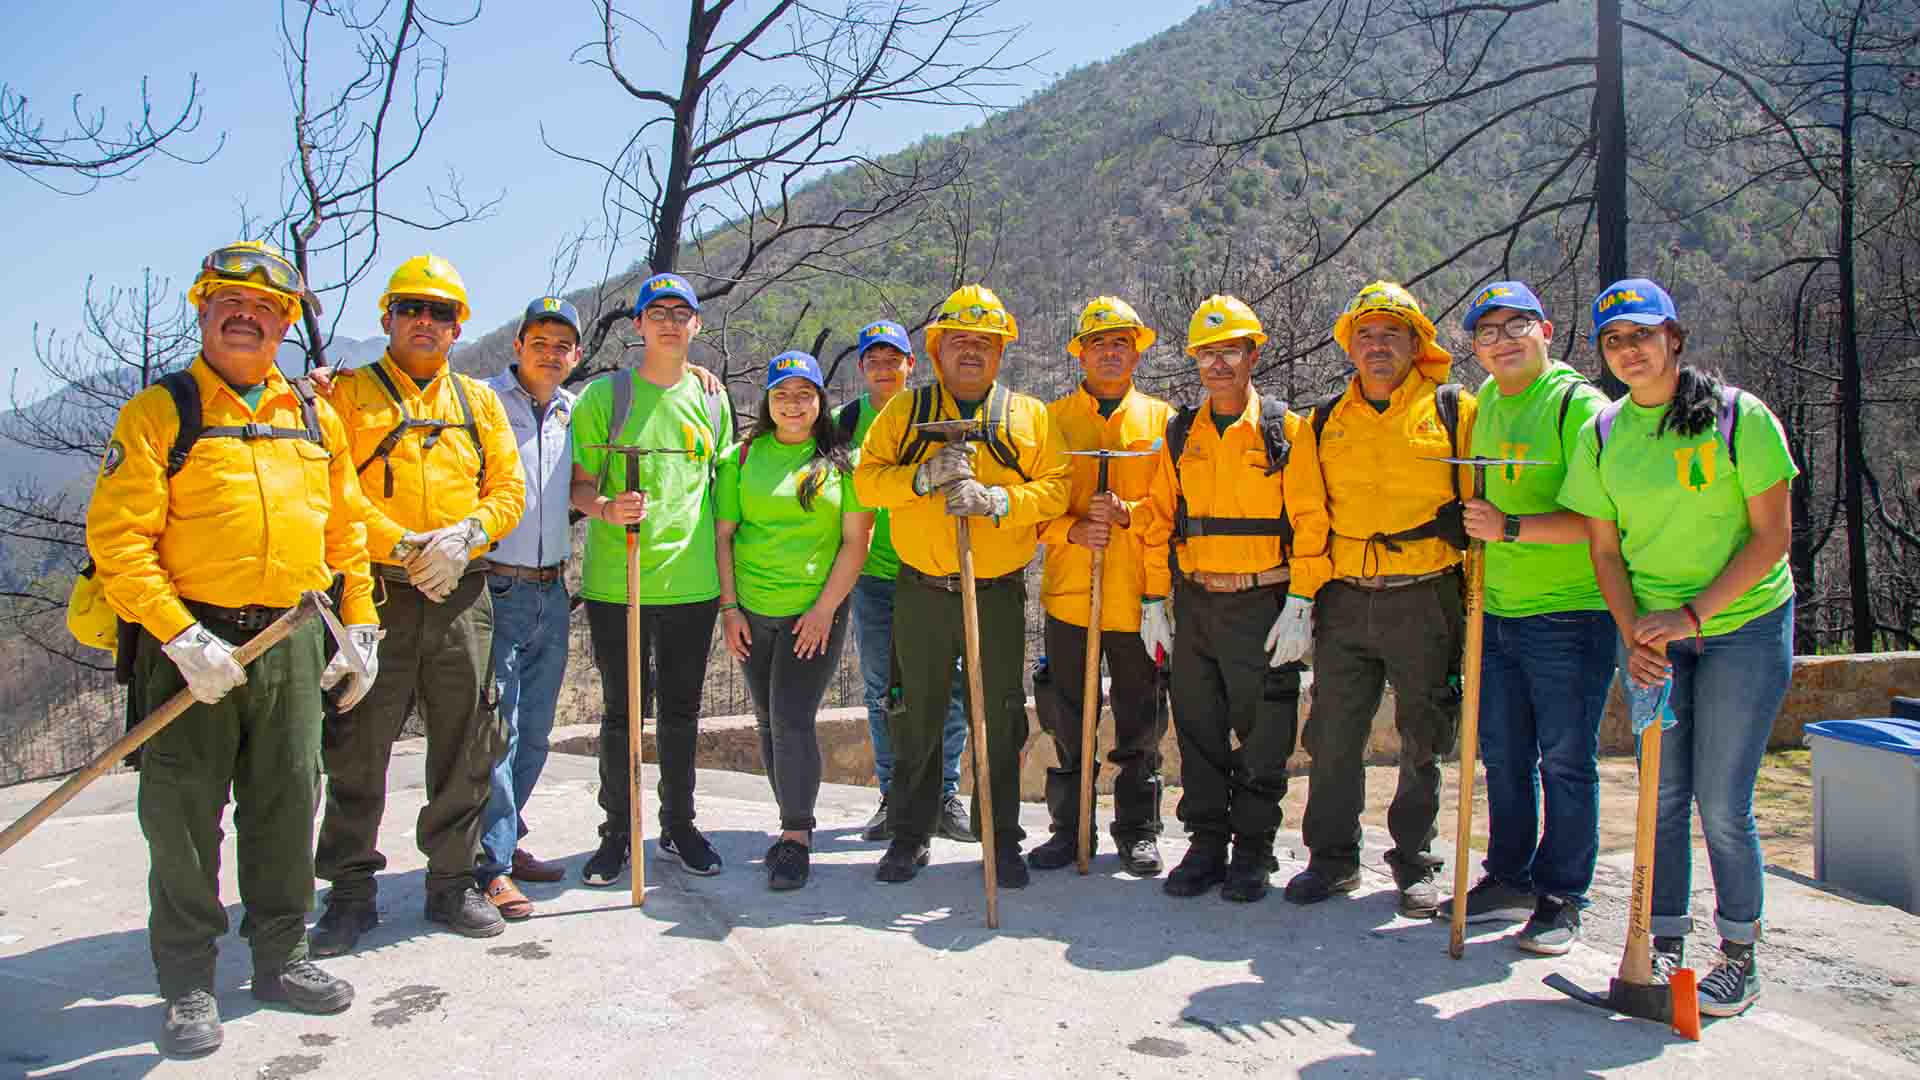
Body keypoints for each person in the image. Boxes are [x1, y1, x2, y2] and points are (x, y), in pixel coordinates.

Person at [87, 241, 376, 1056]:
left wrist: (360, 625)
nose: (247, 316)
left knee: (288, 799)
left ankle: (282, 956)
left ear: (286, 323)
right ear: (203, 309)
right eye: (229, 303)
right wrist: (178, 635)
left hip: (289, 633)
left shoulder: (314, 414)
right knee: (182, 817)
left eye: (266, 308)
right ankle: (186, 981)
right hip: (190, 640)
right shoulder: (162, 412)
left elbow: (345, 527)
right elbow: (119, 541)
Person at [1559, 278, 1797, 1018]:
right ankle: (1662, 946)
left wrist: (1693, 616)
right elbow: (1605, 552)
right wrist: (1635, 633)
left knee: (1722, 802)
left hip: (1743, 628)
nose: (1629, 351)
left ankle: (1739, 955)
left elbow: (1773, 538)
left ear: (1675, 338)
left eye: (1642, 335)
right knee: (1661, 796)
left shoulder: (1737, 418)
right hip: (1657, 636)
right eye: (1614, 341)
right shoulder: (1603, 433)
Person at [312, 254, 526, 954]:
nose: (426, 323)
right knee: (357, 745)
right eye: (412, 309)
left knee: (468, 742)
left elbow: (508, 490)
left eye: (441, 313)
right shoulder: (345, 395)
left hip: (462, 593)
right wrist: (404, 544)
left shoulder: (477, 401)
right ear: (387, 318)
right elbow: (334, 493)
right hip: (374, 593)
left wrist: (468, 536)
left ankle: (452, 882)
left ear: (459, 325)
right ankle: (348, 891)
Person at [853, 284, 1070, 886]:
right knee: (915, 712)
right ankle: (910, 832)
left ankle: (999, 838)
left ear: (1001, 351)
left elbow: (1057, 488)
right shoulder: (903, 414)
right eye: (959, 341)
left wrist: (999, 499)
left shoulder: (1030, 416)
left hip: (996, 590)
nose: (971, 351)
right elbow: (867, 485)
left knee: (999, 715)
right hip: (920, 590)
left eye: (984, 341)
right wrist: (920, 478)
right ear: (938, 348)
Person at [1286, 281, 1477, 918]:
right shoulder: (1321, 422)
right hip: (1344, 597)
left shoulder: (1455, 411)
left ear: (1416, 343)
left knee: (1424, 733)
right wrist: (1302, 599)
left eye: (1391, 334)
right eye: (1365, 335)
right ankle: (1331, 859)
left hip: (1426, 596)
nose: (1376, 346)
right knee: (1333, 734)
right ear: (1349, 346)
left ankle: (1415, 862)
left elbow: (1478, 508)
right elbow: (1310, 515)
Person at [1434, 282, 1612, 954]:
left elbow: (1604, 520)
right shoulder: (1488, 411)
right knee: (1503, 755)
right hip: (1496, 610)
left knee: (1565, 759)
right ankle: (1509, 876)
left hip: (1569, 613)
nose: (1503, 341)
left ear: (1547, 328)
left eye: (1516, 327)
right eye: (1487, 332)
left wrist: (1511, 526)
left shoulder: (1577, 406)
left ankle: (1562, 895)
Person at [1142, 295, 1331, 901]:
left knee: (1264, 731)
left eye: (1230, 352)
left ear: (1252, 354)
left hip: (1262, 604)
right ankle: (1205, 844)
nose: (1218, 365)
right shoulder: (1179, 435)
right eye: (1207, 354)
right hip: (1196, 602)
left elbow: (1310, 520)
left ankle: (1253, 849)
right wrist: (1154, 601)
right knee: (1196, 727)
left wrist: (1302, 600)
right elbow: (1157, 522)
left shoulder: (1285, 431)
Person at [570, 272, 734, 886]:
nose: (669, 321)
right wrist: (606, 509)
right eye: (655, 311)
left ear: (696, 325)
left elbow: (722, 498)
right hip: (619, 582)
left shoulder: (713, 401)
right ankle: (616, 833)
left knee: (682, 715)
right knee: (621, 715)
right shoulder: (603, 399)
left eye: (680, 312)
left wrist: (729, 589)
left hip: (691, 585)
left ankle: (679, 825)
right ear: (637, 325)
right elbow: (581, 486)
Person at [716, 351, 875, 890]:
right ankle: (791, 820)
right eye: (781, 393)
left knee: (790, 720)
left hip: (816, 612)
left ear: (819, 402)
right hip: (752, 610)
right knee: (766, 721)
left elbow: (857, 543)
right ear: (766, 400)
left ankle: (796, 836)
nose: (792, 404)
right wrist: (730, 609)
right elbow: (724, 537)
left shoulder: (840, 462)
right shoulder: (740, 459)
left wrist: (824, 609)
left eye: (803, 394)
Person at [1031, 297, 1175, 876]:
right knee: (1067, 721)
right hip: (1071, 595)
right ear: (1081, 353)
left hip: (1139, 597)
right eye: (1099, 343)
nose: (1110, 352)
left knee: (1142, 722)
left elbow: (1170, 510)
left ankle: (1138, 831)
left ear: (1137, 350)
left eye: (1121, 342)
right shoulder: (1051, 421)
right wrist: (1072, 527)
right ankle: (1070, 829)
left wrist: (1126, 515)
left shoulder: (1162, 421)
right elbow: (1032, 509)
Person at [836, 321, 975, 846]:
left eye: (892, 357)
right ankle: (894, 796)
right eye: (873, 358)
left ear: (910, 364)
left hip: (934, 569)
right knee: (880, 690)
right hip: (872, 576)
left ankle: (943, 795)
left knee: (951, 685)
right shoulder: (844, 422)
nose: (883, 367)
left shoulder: (928, 416)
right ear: (861, 366)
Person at [470, 297, 584, 921]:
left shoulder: (572, 410)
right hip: (494, 586)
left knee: (536, 731)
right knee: (499, 731)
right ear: (517, 344)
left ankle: (507, 844)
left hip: (552, 588)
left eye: (562, 344)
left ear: (576, 355)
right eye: (539, 340)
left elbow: (577, 486)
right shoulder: (480, 402)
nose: (551, 351)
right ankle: (488, 867)